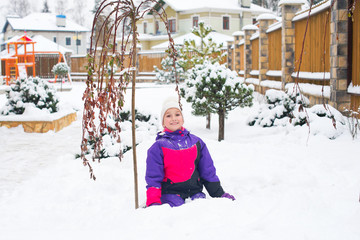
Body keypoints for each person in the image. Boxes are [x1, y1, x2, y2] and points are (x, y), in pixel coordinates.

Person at [145, 96, 235, 207]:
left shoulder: (196, 143)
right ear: (163, 123)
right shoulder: (158, 147)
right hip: (170, 195)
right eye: (168, 116)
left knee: (201, 212)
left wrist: (219, 194)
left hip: (195, 193)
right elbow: (154, 178)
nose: (174, 118)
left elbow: (208, 171)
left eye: (177, 114)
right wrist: (153, 203)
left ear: (182, 119)